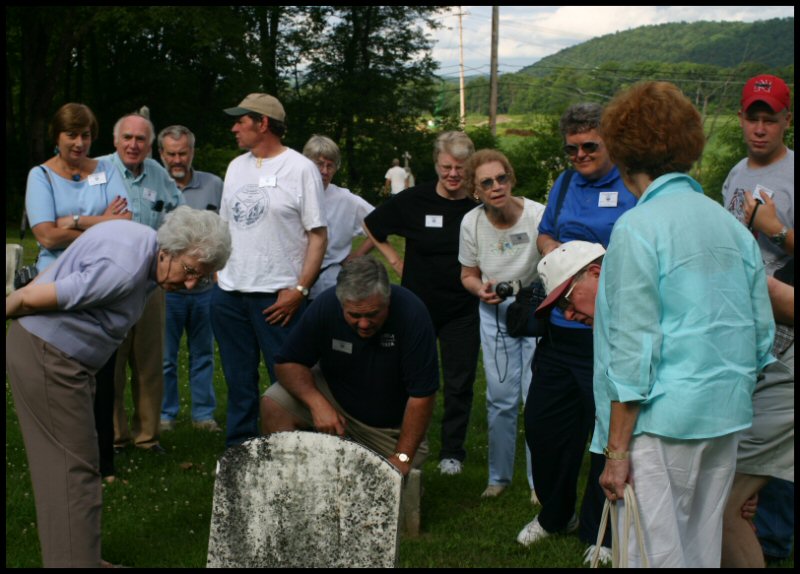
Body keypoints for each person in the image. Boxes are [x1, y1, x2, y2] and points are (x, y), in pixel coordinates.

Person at [589, 80, 774, 568]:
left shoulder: (637, 227)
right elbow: (760, 335)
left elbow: (633, 349)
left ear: (624, 155)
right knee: (699, 550)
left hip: (660, 423)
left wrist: (615, 451)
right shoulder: (729, 224)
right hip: (725, 413)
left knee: (653, 555)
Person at [6, 206, 231, 568]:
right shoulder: (124, 272)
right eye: (189, 271)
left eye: (200, 279)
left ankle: (81, 556)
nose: (189, 285)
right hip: (50, 359)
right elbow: (31, 297)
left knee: (73, 467)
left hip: (58, 359)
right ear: (169, 249)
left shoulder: (136, 236)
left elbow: (53, 272)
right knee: (73, 472)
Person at [518, 103, 636, 562]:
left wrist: (595, 264)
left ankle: (598, 531)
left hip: (607, 332)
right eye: (573, 149)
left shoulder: (630, 184)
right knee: (544, 427)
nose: (581, 155)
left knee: (603, 433)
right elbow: (545, 235)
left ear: (609, 144)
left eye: (591, 146)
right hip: (562, 328)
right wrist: (567, 257)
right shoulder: (565, 184)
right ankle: (554, 512)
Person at [364, 131, 481, 479]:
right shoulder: (414, 200)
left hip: (463, 307)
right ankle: (402, 442)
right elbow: (372, 225)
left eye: (461, 168)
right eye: (447, 167)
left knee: (459, 382)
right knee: (409, 378)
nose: (453, 175)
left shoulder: (478, 205)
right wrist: (394, 260)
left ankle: (452, 451)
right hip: (417, 306)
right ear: (436, 165)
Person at [25, 102, 132, 482]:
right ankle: (61, 455)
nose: (79, 142)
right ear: (57, 136)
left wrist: (72, 221)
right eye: (72, 134)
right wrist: (100, 223)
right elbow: (44, 234)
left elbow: (124, 224)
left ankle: (104, 462)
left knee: (102, 376)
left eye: (86, 135)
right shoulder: (40, 176)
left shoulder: (106, 170)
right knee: (59, 373)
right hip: (55, 282)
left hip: (101, 283)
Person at [214, 93, 327, 447]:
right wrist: (219, 275)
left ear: (263, 124)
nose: (234, 127)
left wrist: (300, 290)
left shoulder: (300, 169)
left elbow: (318, 236)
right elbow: (224, 225)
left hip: (278, 299)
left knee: (291, 378)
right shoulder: (236, 167)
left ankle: (293, 447)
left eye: (241, 121)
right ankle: (240, 452)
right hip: (230, 295)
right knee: (238, 379)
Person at [260, 256, 439, 476]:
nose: (363, 324)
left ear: (387, 300)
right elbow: (287, 363)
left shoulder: (413, 314)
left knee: (388, 497)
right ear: (342, 302)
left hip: (388, 428)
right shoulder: (325, 305)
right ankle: (289, 483)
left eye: (373, 314)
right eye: (354, 315)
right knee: (274, 403)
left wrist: (402, 457)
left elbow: (422, 395)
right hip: (336, 401)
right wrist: (317, 404)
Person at [720, 73, 794, 567]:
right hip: (745, 334)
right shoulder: (733, 175)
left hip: (788, 332)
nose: (761, 128)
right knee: (748, 453)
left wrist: (779, 230)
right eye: (753, 117)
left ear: (787, 120)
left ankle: (768, 539)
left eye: (771, 119)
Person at [459, 149, 545, 498]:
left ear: (511, 178)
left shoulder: (537, 215)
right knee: (500, 397)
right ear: (475, 191)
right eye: (487, 183)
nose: (497, 186)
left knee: (536, 395)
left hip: (536, 309)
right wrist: (480, 289)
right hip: (495, 312)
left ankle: (539, 482)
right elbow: (467, 274)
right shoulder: (471, 222)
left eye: (502, 178)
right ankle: (498, 478)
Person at [99, 113, 185, 454]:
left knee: (151, 362)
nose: (134, 145)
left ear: (150, 146)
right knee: (113, 363)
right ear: (116, 140)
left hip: (150, 283)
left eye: (141, 140)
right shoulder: (99, 171)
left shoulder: (160, 175)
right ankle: (116, 436)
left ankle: (148, 437)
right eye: (128, 138)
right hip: (109, 283)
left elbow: (177, 217)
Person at [157, 125, 224, 433]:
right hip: (167, 289)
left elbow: (227, 231)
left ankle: (203, 415)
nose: (177, 159)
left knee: (203, 355)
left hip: (206, 289)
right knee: (166, 357)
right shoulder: (155, 184)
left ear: (192, 152)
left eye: (183, 153)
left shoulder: (213, 185)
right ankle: (166, 413)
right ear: (161, 154)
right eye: (171, 154)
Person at [301, 134, 374, 300]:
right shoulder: (290, 195)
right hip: (292, 283)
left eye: (330, 166)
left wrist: (357, 256)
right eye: (319, 164)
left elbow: (381, 223)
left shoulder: (347, 200)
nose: (325, 171)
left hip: (329, 284)